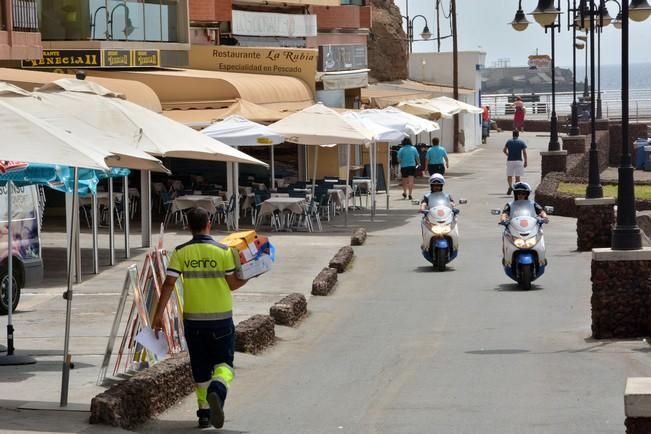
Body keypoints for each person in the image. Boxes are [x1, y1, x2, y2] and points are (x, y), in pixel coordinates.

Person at [152, 207, 248, 429]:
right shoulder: (224, 251)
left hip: (194, 321)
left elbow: (168, 284)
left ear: (188, 227)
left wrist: (158, 315)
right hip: (221, 320)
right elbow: (232, 284)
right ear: (209, 224)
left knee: (200, 367)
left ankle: (204, 414)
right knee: (225, 365)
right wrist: (251, 276)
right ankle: (218, 389)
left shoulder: (181, 252)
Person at [503, 130, 528, 195]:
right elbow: (524, 152)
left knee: (509, 175)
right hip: (518, 161)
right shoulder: (521, 142)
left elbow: (504, 150)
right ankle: (516, 189)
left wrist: (507, 154)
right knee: (517, 177)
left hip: (510, 161)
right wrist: (525, 161)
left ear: (512, 135)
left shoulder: (509, 141)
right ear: (518, 135)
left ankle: (510, 186)